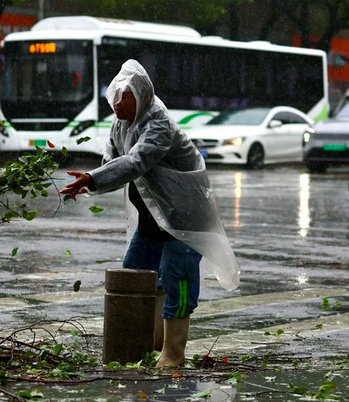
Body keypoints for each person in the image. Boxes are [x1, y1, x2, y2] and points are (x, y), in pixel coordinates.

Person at [59, 59, 239, 368]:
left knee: (177, 278)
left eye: (124, 97)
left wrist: (93, 178)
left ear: (140, 94)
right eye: (114, 97)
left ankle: (173, 354)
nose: (116, 104)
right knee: (135, 276)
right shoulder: (120, 125)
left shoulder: (159, 123)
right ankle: (150, 344)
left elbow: (135, 163)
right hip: (152, 219)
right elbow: (111, 162)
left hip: (184, 219)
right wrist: (90, 183)